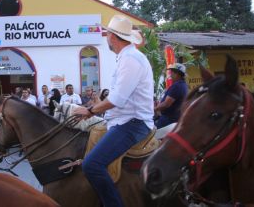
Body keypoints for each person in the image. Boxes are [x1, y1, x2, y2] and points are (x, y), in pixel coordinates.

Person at [73, 14, 154, 207]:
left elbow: (117, 99)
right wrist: (95, 106)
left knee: (91, 165)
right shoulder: (126, 57)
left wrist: (90, 111)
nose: (106, 37)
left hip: (133, 124)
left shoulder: (131, 59)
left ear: (112, 37)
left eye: (107, 34)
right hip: (122, 121)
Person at [154, 63, 188, 129]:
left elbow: (166, 104)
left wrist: (154, 109)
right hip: (175, 118)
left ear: (177, 74)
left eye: (172, 72)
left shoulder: (177, 86)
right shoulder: (183, 85)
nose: (170, 74)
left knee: (154, 137)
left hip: (168, 120)